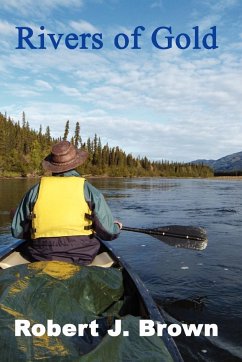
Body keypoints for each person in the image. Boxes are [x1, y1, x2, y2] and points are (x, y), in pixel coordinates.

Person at [11, 140, 122, 265]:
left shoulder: (34, 191)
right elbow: (109, 233)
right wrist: (117, 226)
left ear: (52, 165)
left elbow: (17, 231)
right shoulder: (90, 191)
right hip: (83, 256)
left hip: (41, 255)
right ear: (76, 163)